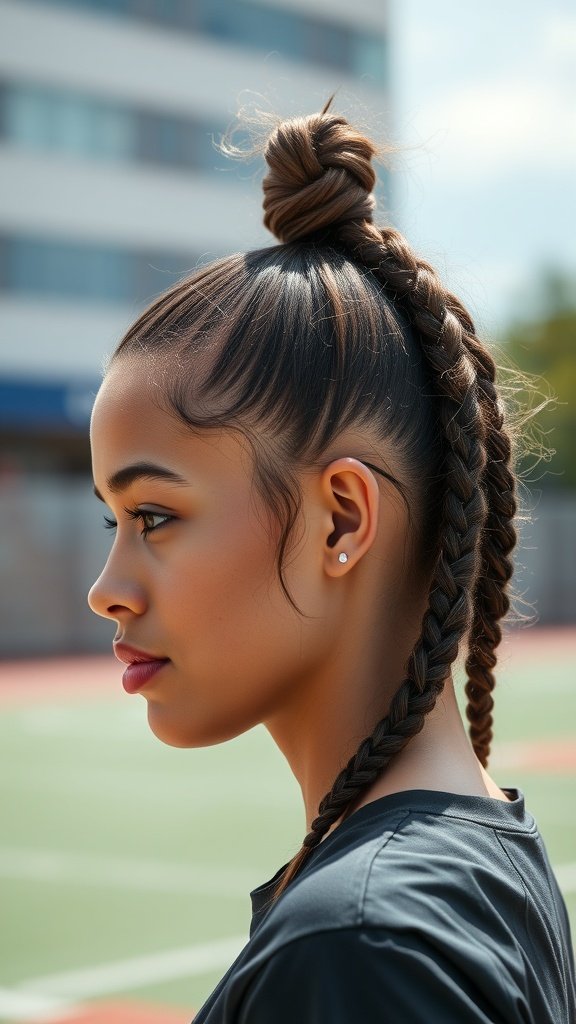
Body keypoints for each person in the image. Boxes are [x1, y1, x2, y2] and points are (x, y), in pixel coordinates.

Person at [87, 106, 575, 1023]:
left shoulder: (359, 946)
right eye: (112, 519)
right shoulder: (474, 853)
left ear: (341, 520)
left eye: (154, 515)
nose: (105, 589)